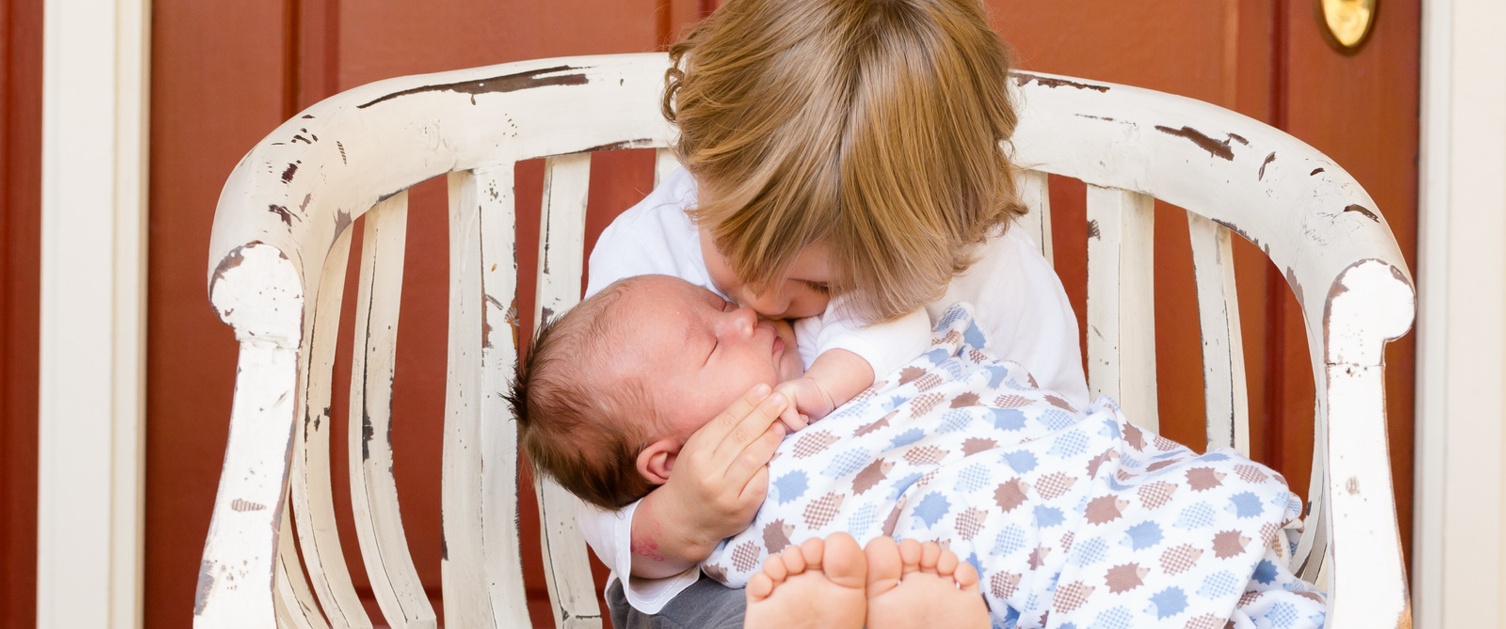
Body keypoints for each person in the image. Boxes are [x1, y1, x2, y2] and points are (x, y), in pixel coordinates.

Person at [577, 0, 1089, 625]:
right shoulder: (645, 258)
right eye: (736, 249)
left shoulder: (990, 273)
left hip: (954, 563)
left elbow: (1059, 441)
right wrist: (677, 519)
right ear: (699, 164)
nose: (761, 305)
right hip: (732, 580)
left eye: (820, 285)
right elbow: (602, 485)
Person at [513, 276, 1324, 627]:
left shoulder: (828, 349)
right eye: (710, 343)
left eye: (721, 305)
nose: (746, 319)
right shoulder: (718, 493)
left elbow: (912, 336)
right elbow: (646, 581)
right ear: (664, 458)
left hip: (1061, 482)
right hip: (963, 549)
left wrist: (828, 385)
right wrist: (687, 512)